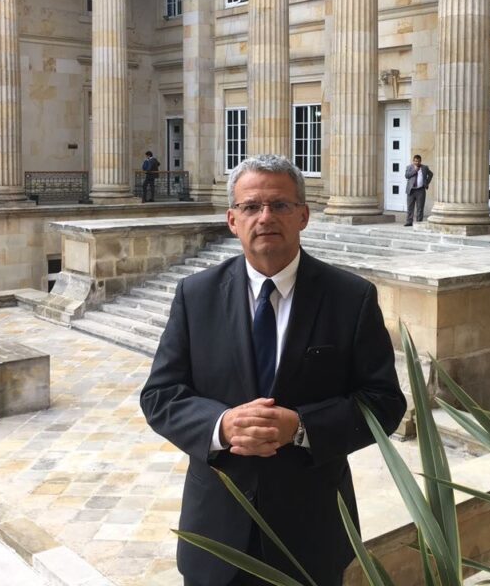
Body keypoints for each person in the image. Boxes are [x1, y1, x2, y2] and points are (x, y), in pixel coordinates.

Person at [140, 154, 406, 586]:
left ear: (303, 215)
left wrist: (301, 427)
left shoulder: (350, 297)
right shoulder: (196, 295)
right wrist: (221, 425)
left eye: (280, 205)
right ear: (232, 220)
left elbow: (384, 403)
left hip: (311, 535)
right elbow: (160, 395)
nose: (265, 217)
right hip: (215, 534)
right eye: (251, 206)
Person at [404, 154, 433, 226]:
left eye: (418, 161)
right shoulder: (409, 167)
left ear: (420, 161)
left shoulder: (424, 168)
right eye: (415, 161)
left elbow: (431, 174)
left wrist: (426, 182)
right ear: (413, 161)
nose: (417, 162)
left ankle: (419, 222)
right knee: (410, 207)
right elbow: (407, 176)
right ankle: (409, 222)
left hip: (420, 190)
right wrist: (415, 170)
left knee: (420, 207)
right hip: (411, 190)